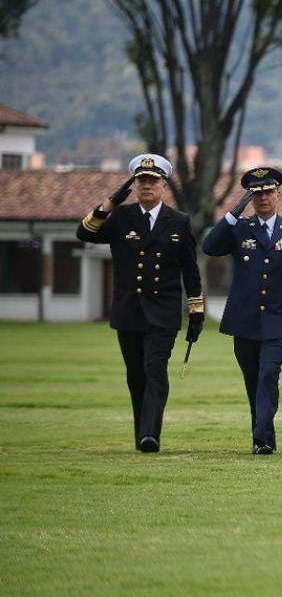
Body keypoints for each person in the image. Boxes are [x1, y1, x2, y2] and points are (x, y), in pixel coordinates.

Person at [75, 154, 203, 453]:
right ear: (133, 184)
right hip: (129, 309)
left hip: (164, 310)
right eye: (141, 180)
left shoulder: (179, 221)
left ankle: (150, 434)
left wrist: (195, 311)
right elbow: (84, 233)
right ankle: (141, 433)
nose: (147, 186)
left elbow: (190, 270)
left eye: (153, 180)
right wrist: (110, 202)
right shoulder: (121, 217)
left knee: (154, 368)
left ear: (163, 185)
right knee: (136, 374)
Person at [202, 167, 282, 455]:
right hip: (244, 319)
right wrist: (234, 211)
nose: (264, 198)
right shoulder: (238, 228)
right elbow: (210, 246)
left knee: (269, 374)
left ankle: (262, 437)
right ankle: (263, 433)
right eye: (257, 194)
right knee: (253, 379)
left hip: (279, 319)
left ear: (278, 194)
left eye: (268, 192)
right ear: (249, 198)